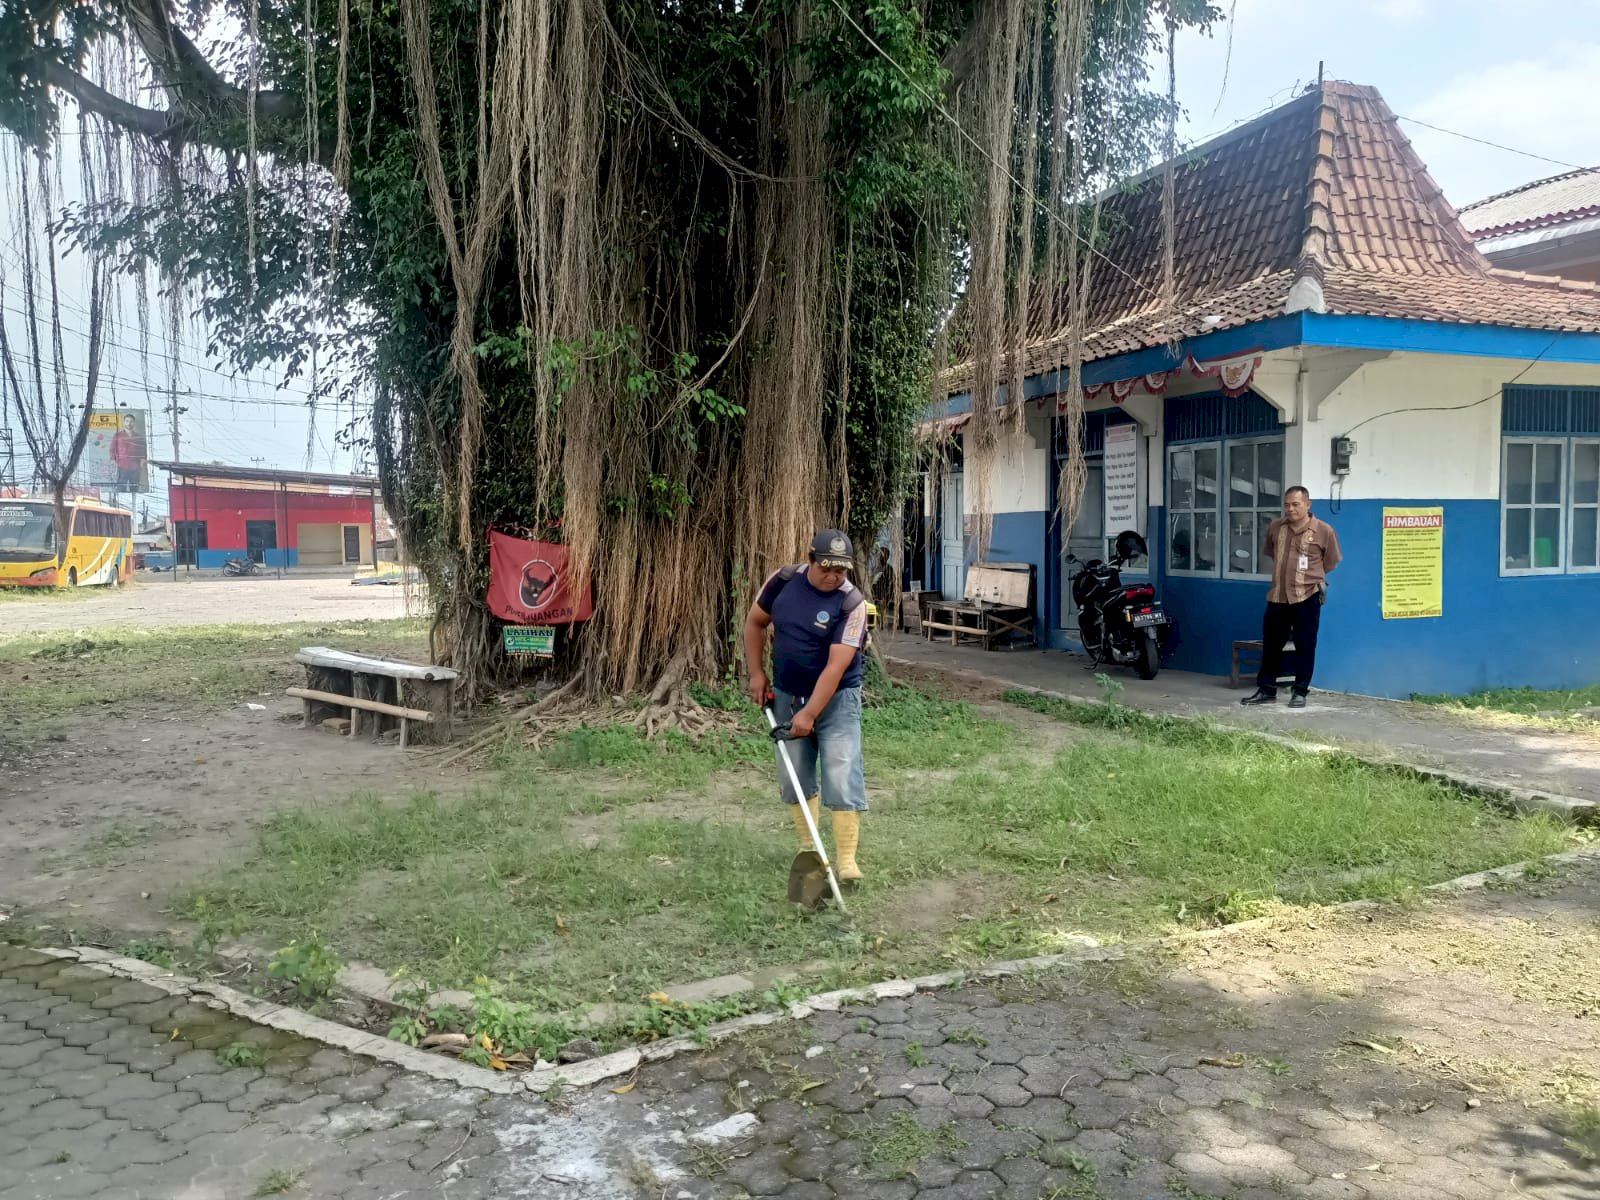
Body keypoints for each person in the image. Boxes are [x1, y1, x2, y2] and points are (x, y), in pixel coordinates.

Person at [743, 529, 870, 881]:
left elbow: (836, 666)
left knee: (841, 772)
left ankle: (847, 862)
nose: (833, 577)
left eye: (840, 571)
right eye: (826, 568)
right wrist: (756, 673)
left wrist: (810, 713)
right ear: (810, 560)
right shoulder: (783, 581)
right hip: (788, 694)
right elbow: (755, 622)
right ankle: (810, 850)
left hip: (838, 700)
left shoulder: (852, 603)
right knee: (794, 775)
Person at [1242, 486, 1341, 709]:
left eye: (1295, 504)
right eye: (1286, 505)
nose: (1290, 509)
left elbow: (1331, 562)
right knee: (1271, 646)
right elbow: (1271, 553)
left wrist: (1308, 578)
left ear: (1307, 504)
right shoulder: (1276, 527)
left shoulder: (1324, 530)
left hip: (1307, 596)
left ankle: (1300, 692)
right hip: (1278, 596)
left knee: (1305, 646)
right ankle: (1266, 690)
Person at [110, 415, 144, 489]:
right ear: (124, 422)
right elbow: (112, 448)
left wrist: (142, 461)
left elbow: (142, 450)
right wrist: (113, 461)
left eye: (131, 421)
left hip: (135, 467)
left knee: (134, 488)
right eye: (127, 421)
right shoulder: (118, 435)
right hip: (122, 466)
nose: (129, 423)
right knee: (121, 488)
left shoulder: (139, 437)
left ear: (134, 423)